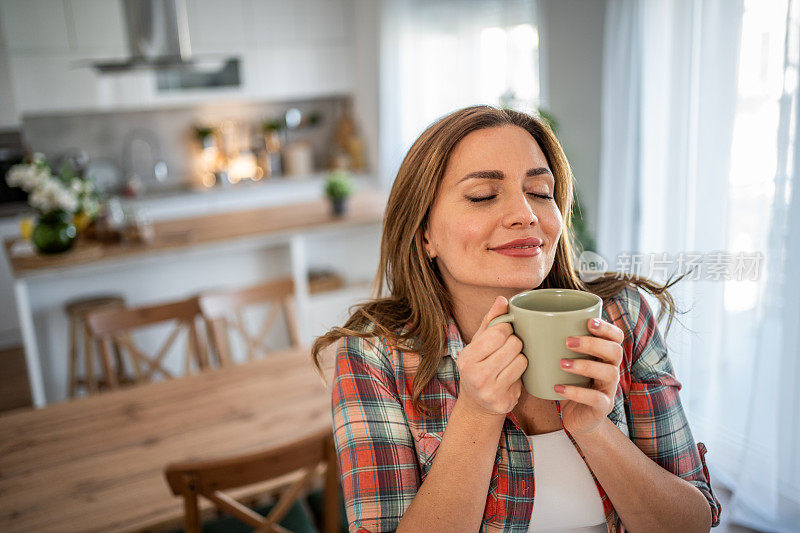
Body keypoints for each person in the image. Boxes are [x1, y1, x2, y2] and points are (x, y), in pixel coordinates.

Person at [311, 105, 722, 532]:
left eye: (541, 192)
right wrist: (476, 413)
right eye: (483, 196)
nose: (526, 214)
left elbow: (690, 523)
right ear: (425, 233)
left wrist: (595, 429)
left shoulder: (622, 315)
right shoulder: (374, 355)